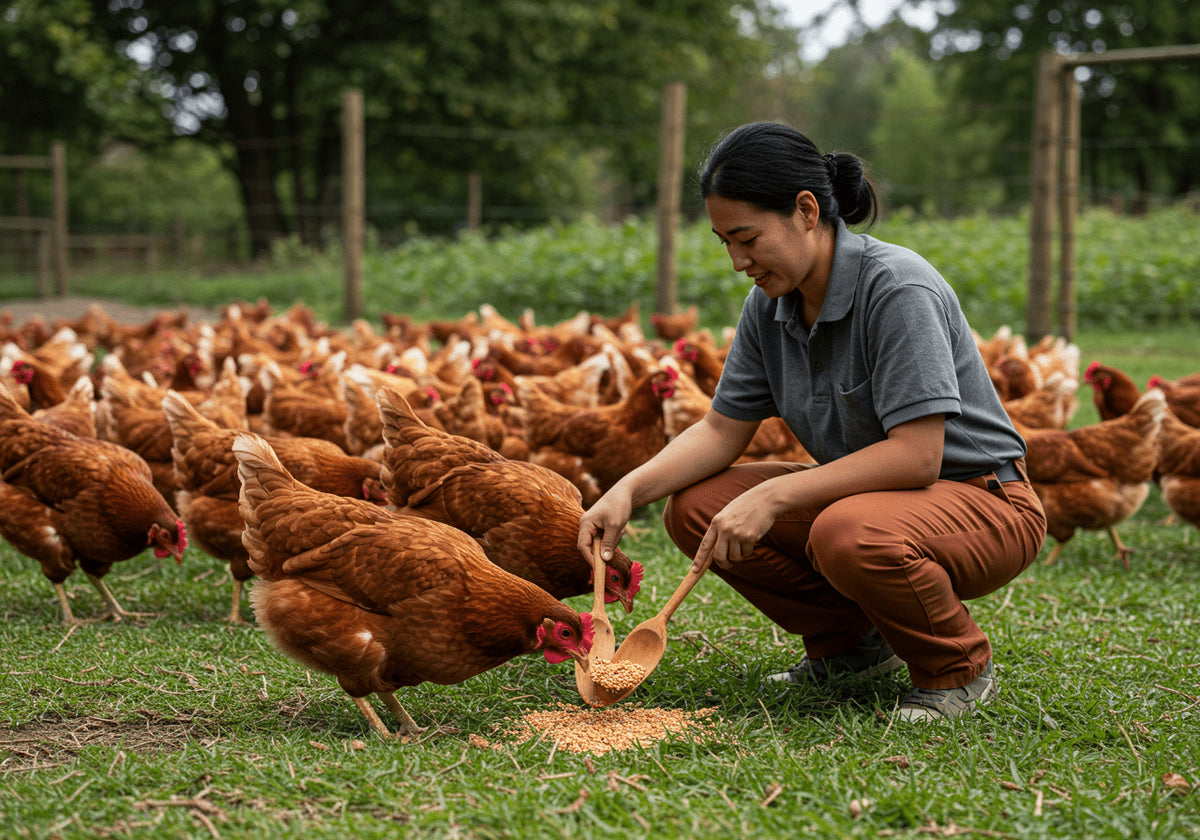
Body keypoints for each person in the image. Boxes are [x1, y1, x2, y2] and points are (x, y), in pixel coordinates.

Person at [577, 121, 1047, 722]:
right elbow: (723, 429)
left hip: (983, 501)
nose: (737, 260)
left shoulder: (897, 288)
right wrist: (627, 492)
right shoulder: (768, 305)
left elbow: (917, 456)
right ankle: (851, 648)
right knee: (696, 506)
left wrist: (775, 495)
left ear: (805, 210)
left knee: (846, 531)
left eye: (747, 237)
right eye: (724, 241)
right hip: (880, 502)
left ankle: (956, 668)